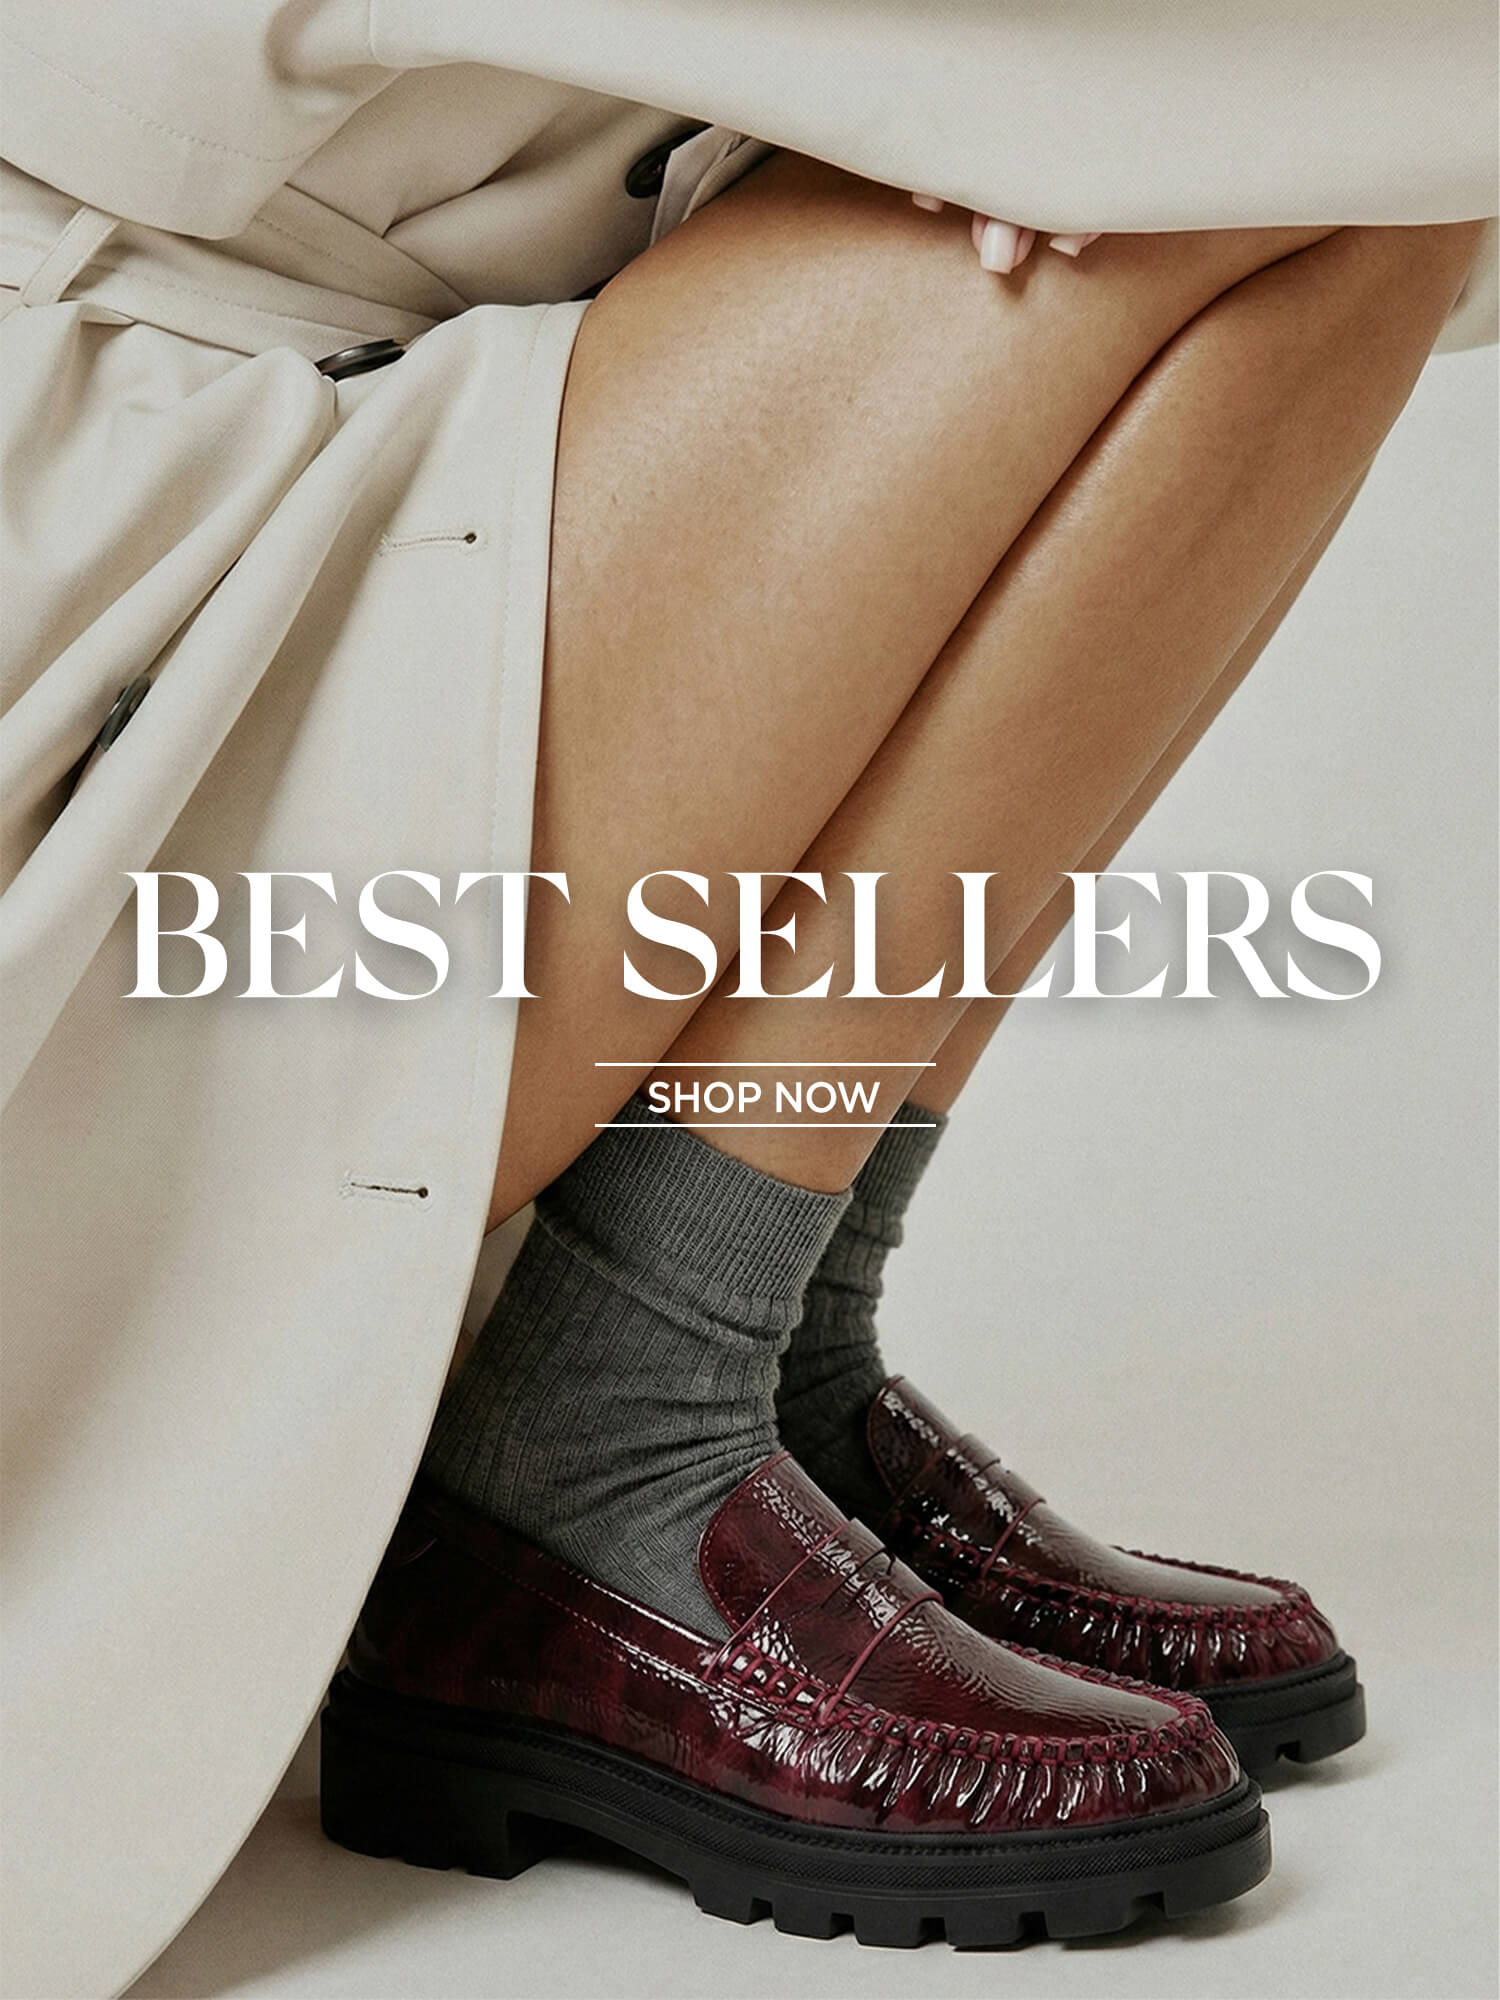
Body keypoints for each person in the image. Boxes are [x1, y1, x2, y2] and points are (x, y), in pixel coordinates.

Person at [2, 9, 1494, 1991]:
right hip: (115, 539)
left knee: (1352, 183)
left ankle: (720, 1358)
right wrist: (1052, 99)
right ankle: (604, 1436)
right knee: (1263, 150)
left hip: (364, 412)